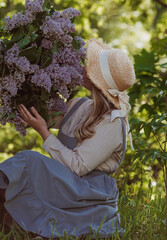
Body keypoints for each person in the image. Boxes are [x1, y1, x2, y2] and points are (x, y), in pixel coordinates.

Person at [0, 38, 135, 238]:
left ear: (97, 81)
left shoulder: (113, 123)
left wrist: (43, 132)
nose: (81, 67)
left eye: (88, 67)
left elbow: (78, 167)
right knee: (26, 165)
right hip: (63, 182)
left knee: (30, 160)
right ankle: (9, 222)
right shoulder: (79, 104)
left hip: (86, 192)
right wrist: (23, 74)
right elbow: (41, 114)